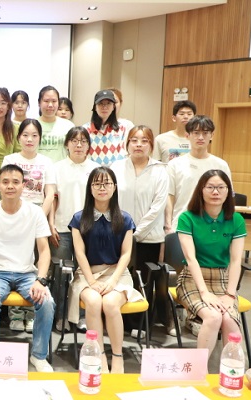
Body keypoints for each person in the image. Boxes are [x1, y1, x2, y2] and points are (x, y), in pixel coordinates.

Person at [0, 164, 55, 373]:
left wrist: (40, 280)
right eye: (6, 182)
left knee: (47, 302)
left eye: (15, 182)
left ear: (23, 185)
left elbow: (44, 251)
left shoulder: (35, 212)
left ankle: (39, 356)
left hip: (27, 273)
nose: (10, 186)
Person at [67, 166, 143, 374]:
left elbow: (126, 254)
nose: (102, 188)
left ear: (114, 187)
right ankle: (98, 353)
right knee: (93, 301)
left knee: (110, 303)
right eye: (97, 183)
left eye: (107, 183)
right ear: (90, 188)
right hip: (87, 274)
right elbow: (79, 253)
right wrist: (91, 281)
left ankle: (117, 356)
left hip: (117, 274)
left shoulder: (125, 219)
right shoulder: (79, 219)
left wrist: (113, 281)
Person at [175, 170, 246, 361]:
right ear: (201, 190)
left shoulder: (237, 220)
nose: (216, 192)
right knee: (213, 317)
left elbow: (236, 260)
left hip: (222, 280)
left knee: (229, 319)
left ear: (228, 191)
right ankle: (200, 370)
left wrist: (230, 294)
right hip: (193, 278)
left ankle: (232, 370)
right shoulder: (187, 218)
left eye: (221, 187)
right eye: (211, 187)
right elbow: (191, 259)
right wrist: (204, 292)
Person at [110, 125, 170, 333]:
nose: (139, 145)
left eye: (144, 141)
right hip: (118, 235)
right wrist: (123, 232)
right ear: (127, 144)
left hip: (149, 238)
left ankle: (140, 325)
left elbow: (158, 207)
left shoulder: (160, 170)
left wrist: (135, 234)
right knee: (119, 280)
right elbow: (111, 201)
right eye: (134, 140)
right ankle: (118, 322)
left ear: (151, 146)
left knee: (143, 280)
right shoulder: (117, 167)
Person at [1, 119, 55, 332]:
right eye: (25, 135)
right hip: (13, 215)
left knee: (34, 265)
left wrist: (38, 218)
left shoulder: (46, 162)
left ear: (40, 138)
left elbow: (49, 193)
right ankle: (15, 314)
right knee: (14, 263)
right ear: (19, 137)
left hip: (38, 215)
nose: (29, 139)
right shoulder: (10, 159)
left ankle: (31, 312)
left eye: (34, 135)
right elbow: (6, 187)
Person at [47, 127, 99, 331]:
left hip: (88, 230)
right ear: (67, 144)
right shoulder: (56, 168)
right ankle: (60, 317)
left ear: (89, 146)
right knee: (60, 274)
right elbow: (52, 198)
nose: (79, 145)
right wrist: (51, 223)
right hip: (62, 228)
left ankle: (82, 316)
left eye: (83, 141)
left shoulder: (96, 168)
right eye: (74, 141)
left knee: (85, 274)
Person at [166, 115, 231, 232]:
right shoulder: (174, 164)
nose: (200, 137)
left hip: (213, 227)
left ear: (212, 135)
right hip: (180, 225)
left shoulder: (221, 165)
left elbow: (228, 196)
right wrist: (168, 226)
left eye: (205, 133)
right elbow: (169, 197)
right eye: (196, 133)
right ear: (187, 135)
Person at [83, 90, 128, 166]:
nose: (104, 107)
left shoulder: (122, 128)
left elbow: (126, 154)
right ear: (95, 107)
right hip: (92, 171)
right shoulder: (85, 129)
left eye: (108, 103)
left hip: (115, 172)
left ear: (113, 107)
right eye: (100, 103)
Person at [37, 85, 75, 162]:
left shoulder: (68, 126)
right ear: (39, 103)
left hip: (61, 168)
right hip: (38, 168)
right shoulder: (32, 125)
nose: (50, 105)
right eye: (46, 101)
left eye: (54, 101)